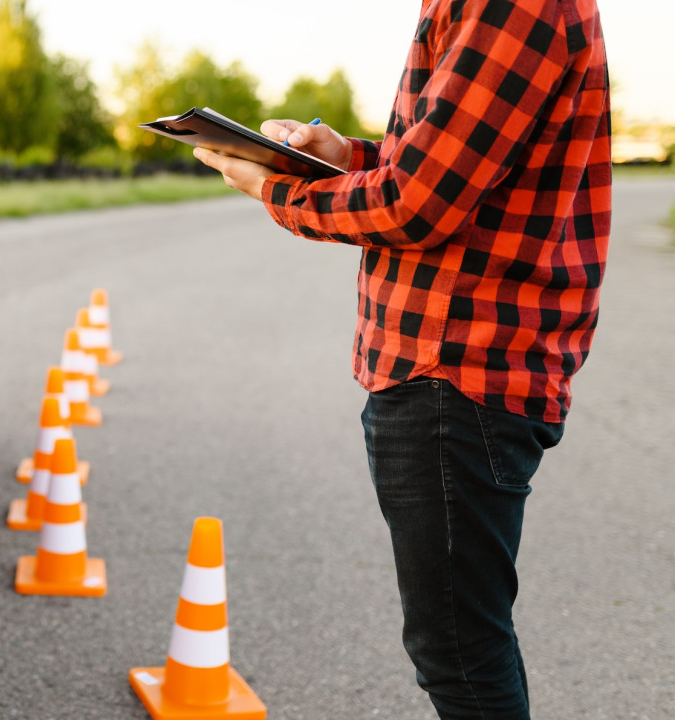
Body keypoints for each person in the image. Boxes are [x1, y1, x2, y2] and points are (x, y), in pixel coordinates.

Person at [193, 1, 610, 718]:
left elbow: (417, 204)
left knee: (459, 653)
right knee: (460, 644)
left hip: (459, 366)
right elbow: (446, 167)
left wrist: (278, 188)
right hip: (439, 364)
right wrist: (339, 158)